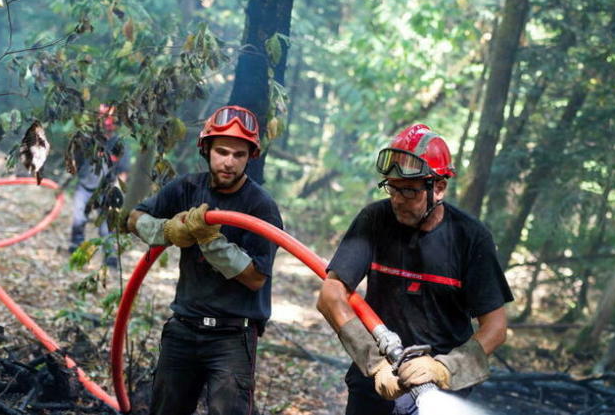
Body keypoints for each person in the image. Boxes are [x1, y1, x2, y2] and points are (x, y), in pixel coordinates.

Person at [316, 124, 514, 414]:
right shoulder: (374, 219)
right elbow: (330, 295)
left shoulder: (470, 237)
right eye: (392, 188)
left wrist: (444, 368)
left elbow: (495, 328)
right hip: (376, 382)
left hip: (437, 389)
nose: (397, 199)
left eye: (409, 191)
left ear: (440, 187)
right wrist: (376, 364)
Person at [126, 105, 283, 415]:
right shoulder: (186, 188)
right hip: (183, 328)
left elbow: (255, 278)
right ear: (206, 149)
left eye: (239, 155)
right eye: (222, 151)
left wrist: (210, 241)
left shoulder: (261, 206)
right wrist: (167, 229)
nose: (229, 162)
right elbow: (132, 218)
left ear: (250, 157)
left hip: (232, 336)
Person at [68, 104, 130, 268]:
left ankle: (110, 258)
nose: (107, 124)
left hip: (106, 191)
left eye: (110, 121)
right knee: (78, 219)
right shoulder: (88, 139)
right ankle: (76, 252)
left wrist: (117, 193)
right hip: (85, 187)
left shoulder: (118, 144)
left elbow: (123, 171)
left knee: (106, 227)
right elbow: (75, 161)